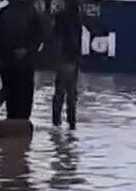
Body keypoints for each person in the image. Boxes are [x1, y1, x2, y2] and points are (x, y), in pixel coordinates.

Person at [0, 0, 44, 120]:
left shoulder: (4, 12)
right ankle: (20, 123)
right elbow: (40, 36)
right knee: (24, 94)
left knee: (8, 90)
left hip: (7, 60)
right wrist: (27, 50)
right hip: (24, 62)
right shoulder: (32, 12)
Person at [52, 0, 83, 129]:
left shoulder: (61, 17)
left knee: (60, 93)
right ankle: (71, 123)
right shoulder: (77, 18)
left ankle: (56, 123)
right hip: (73, 59)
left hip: (64, 59)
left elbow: (55, 37)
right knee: (71, 94)